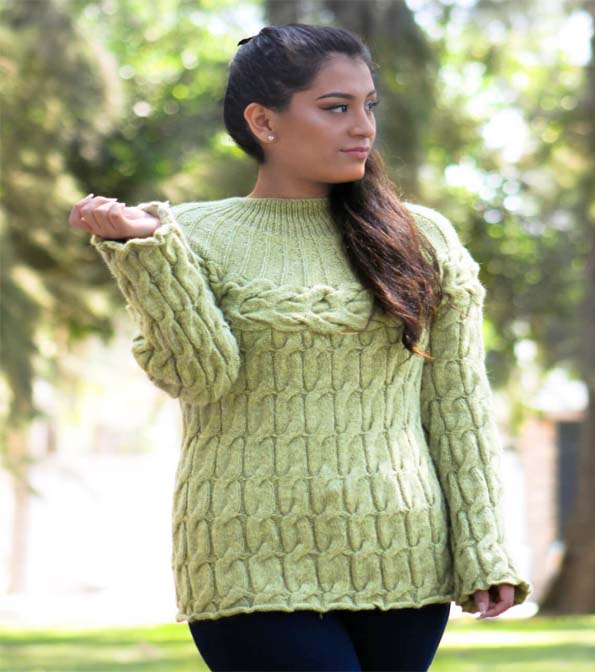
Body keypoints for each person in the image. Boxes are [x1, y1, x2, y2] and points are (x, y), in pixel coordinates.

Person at [69, 22, 532, 672]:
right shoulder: (190, 235)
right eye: (336, 107)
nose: (362, 127)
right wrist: (144, 255)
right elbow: (200, 377)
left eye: (368, 105)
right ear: (264, 121)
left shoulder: (421, 236)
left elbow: (458, 406)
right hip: (248, 561)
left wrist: (486, 548)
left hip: (405, 560)